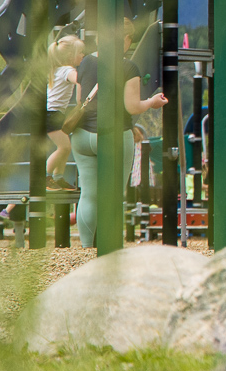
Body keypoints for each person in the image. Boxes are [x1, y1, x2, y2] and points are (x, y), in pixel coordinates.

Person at [70, 23, 169, 249]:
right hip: (113, 136)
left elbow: (79, 102)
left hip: (82, 136)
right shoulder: (128, 67)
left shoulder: (85, 62)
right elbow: (132, 107)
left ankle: (86, 249)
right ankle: (111, 247)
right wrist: (152, 103)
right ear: (124, 38)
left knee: (88, 193)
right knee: (115, 194)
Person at [44, 35, 86, 190]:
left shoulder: (57, 69)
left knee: (65, 146)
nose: (83, 55)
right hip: (51, 114)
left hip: (55, 113)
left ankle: (58, 177)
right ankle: (46, 177)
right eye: (80, 52)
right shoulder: (67, 70)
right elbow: (79, 79)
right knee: (65, 147)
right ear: (70, 56)